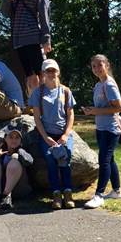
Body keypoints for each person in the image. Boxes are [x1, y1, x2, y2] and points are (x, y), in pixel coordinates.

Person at [1, 0, 51, 96]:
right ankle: (34, 104)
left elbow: (44, 13)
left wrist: (46, 38)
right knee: (29, 75)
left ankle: (45, 103)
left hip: (34, 36)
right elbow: (5, 13)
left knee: (41, 73)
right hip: (19, 37)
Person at [28, 59, 76, 209]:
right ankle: (56, 194)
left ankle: (68, 193)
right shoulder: (38, 92)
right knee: (50, 160)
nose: (51, 74)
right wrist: (46, 137)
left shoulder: (66, 91)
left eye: (53, 70)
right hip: (46, 134)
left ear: (58, 72)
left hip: (63, 133)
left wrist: (66, 135)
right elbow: (36, 117)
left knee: (65, 159)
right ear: (43, 74)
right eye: (48, 71)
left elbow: (70, 114)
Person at [82, 54, 121, 209]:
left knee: (104, 160)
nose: (97, 69)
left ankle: (99, 195)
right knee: (110, 159)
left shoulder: (109, 84)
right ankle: (117, 191)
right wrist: (92, 111)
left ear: (107, 65)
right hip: (101, 127)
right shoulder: (98, 85)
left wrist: (95, 111)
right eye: (94, 66)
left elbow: (119, 107)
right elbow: (102, 107)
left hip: (110, 129)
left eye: (100, 65)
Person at [0, 124, 33, 210]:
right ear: (5, 138)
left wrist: (19, 154)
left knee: (14, 161)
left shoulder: (22, 151)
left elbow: (29, 162)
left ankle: (6, 196)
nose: (14, 140)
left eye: (17, 138)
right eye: (11, 137)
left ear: (21, 140)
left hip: (17, 189)